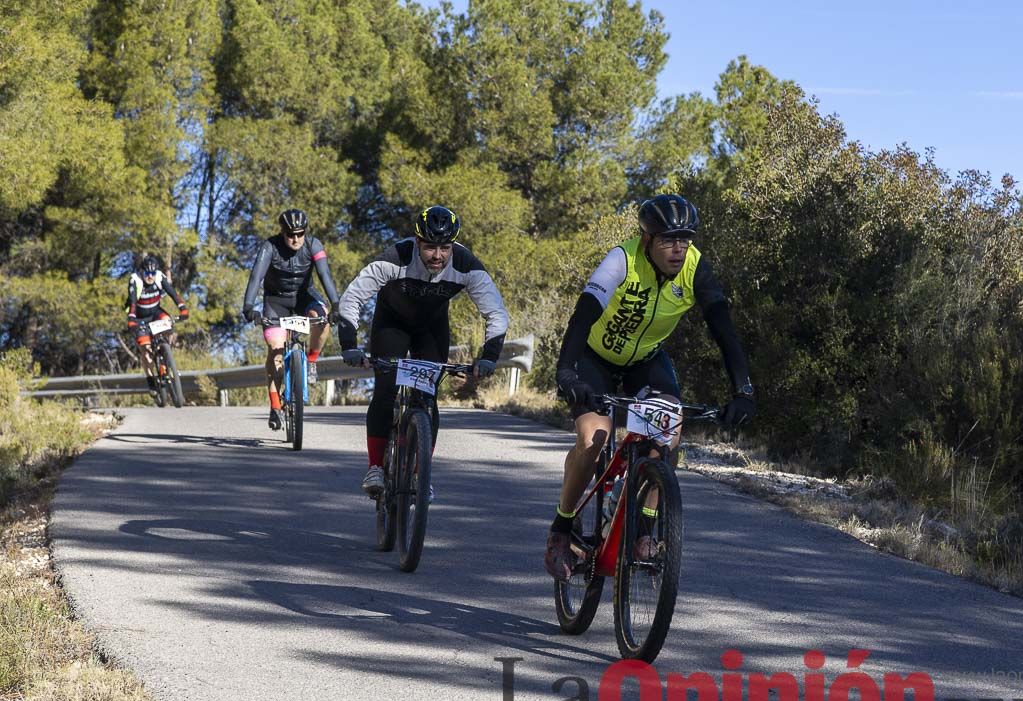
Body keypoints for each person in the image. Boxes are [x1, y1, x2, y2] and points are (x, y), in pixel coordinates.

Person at [544, 194, 756, 580]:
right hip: (596, 359)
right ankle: (561, 528)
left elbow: (724, 330)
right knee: (594, 438)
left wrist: (743, 390)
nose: (678, 249)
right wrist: (567, 371)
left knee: (666, 436)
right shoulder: (621, 260)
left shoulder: (694, 267)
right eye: (668, 240)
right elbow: (584, 314)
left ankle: (641, 532)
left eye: (685, 239)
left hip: (646, 361)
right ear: (647, 240)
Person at [337, 206, 509, 497]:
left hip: (431, 327)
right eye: (430, 247)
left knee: (428, 399)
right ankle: (376, 466)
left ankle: (419, 474)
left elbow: (496, 313)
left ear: (453, 246)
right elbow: (352, 297)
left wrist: (489, 356)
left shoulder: (466, 264)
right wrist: (349, 345)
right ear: (417, 242)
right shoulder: (396, 257)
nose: (437, 256)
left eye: (445, 248)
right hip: (391, 324)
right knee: (386, 389)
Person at [242, 209, 340, 431]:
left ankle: (311, 360)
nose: (295, 239)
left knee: (322, 319)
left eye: (300, 233)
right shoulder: (270, 247)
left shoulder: (313, 245)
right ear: (282, 232)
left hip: (305, 298)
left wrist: (336, 304)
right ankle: (275, 407)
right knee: (276, 350)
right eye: (290, 234)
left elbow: (325, 275)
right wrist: (248, 307)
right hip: (276, 303)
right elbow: (256, 276)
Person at [125, 253, 189, 393]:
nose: (150, 276)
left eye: (152, 273)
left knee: (168, 323)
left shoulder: (159, 277)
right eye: (147, 273)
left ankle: (167, 357)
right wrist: (131, 319)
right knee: (145, 350)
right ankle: (150, 380)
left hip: (155, 313)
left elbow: (172, 293)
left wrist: (182, 307)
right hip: (139, 317)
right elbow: (133, 302)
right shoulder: (136, 280)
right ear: (142, 271)